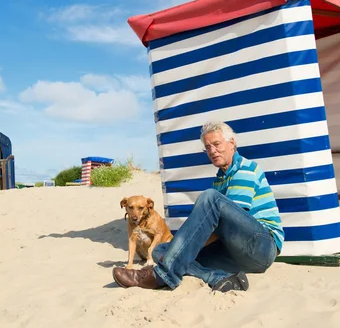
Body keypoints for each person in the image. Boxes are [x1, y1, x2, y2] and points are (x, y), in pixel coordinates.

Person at [112, 121, 284, 292]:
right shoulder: (220, 179)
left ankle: (161, 275)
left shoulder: (245, 169)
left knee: (208, 199)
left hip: (262, 248)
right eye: (207, 147)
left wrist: (182, 249)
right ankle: (219, 278)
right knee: (160, 250)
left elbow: (230, 224)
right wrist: (179, 250)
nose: (212, 151)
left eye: (216, 144)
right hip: (237, 254)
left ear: (232, 143)